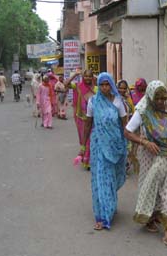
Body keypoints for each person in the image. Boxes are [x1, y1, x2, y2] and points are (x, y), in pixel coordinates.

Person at [124, 80, 167, 248]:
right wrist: (144, 142)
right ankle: (150, 217)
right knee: (150, 187)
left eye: (163, 98)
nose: (160, 102)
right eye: (157, 99)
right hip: (149, 155)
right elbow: (127, 132)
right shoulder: (142, 111)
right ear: (150, 97)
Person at [83, 72, 128, 230]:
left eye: (107, 84)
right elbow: (88, 123)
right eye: (101, 84)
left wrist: (126, 146)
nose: (104, 87)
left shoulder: (118, 102)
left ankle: (111, 204)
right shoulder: (93, 102)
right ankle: (102, 216)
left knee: (112, 179)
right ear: (98, 86)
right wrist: (83, 146)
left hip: (115, 145)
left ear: (111, 85)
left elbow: (125, 125)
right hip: (98, 145)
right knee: (100, 179)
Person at [65, 69, 97, 169]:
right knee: (84, 138)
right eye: (85, 76)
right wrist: (75, 74)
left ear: (92, 77)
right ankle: (86, 158)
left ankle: (88, 161)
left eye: (90, 76)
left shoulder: (96, 88)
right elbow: (66, 84)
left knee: (91, 139)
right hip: (81, 118)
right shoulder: (78, 86)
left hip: (93, 118)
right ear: (83, 77)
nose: (87, 78)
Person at [117, 80, 136, 173]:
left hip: (128, 127)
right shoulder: (114, 98)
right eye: (120, 88)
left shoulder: (128, 98)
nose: (122, 90)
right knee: (119, 147)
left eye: (124, 88)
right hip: (117, 127)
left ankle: (126, 165)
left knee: (128, 147)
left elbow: (133, 111)